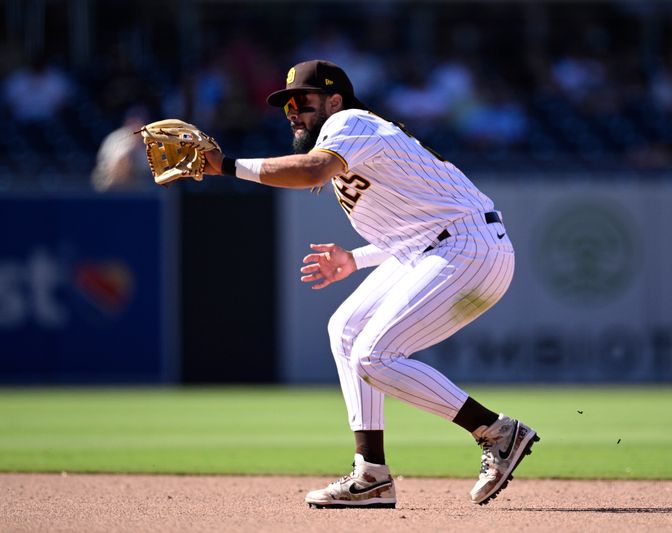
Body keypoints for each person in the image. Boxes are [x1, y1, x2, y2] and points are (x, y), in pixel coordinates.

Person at [203, 60, 538, 508]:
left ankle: (496, 431)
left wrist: (222, 165)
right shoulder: (347, 142)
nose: (292, 112)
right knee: (345, 329)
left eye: (302, 101)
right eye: (286, 106)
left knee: (375, 354)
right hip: (440, 247)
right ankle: (371, 475)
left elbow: (309, 172)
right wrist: (354, 260)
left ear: (334, 100)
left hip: (469, 247)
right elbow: (414, 229)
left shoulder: (350, 122)